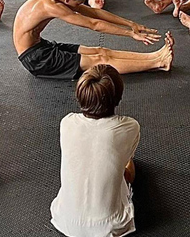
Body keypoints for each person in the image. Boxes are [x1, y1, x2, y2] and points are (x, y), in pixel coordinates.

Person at [13, 0, 174, 80]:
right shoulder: (52, 7)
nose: (78, 7)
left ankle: (154, 55)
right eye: (77, 4)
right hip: (36, 60)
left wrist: (131, 24)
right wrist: (130, 34)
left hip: (41, 47)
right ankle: (159, 63)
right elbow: (94, 24)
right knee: (99, 60)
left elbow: (94, 12)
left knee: (101, 51)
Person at [51, 65, 139, 237]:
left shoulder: (66, 122)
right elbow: (126, 164)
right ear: (118, 98)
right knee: (129, 169)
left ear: (81, 96)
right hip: (109, 228)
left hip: (64, 221)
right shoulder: (130, 126)